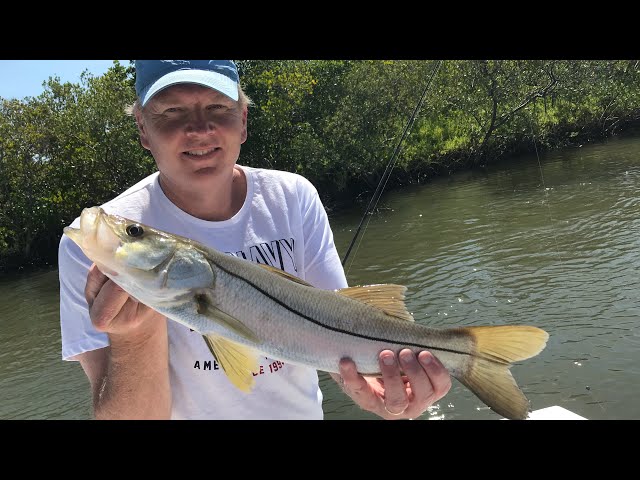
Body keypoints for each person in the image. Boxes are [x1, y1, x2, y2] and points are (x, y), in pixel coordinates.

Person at [58, 60, 452, 420]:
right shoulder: (85, 252)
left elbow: (338, 328)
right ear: (143, 128)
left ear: (242, 120)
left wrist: (374, 389)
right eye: (172, 111)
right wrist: (134, 338)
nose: (198, 128)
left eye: (218, 108)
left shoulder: (293, 196)